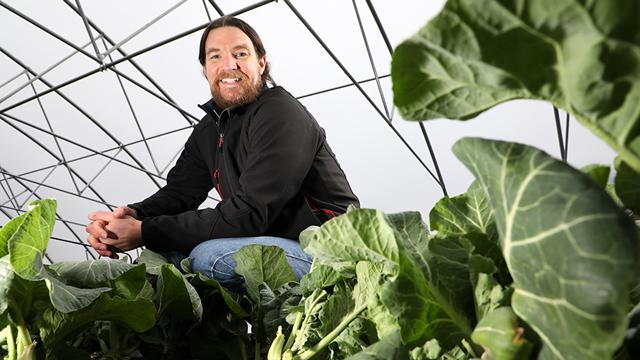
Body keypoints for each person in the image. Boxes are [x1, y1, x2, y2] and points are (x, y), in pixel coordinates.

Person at [85, 16, 359, 289]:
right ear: (205, 69)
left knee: (210, 257)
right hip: (268, 243)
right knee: (161, 260)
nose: (229, 65)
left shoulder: (280, 113)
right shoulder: (211, 127)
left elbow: (250, 212)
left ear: (261, 63)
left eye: (240, 54)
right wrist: (129, 217)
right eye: (215, 57)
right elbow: (180, 193)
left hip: (328, 251)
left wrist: (144, 232)